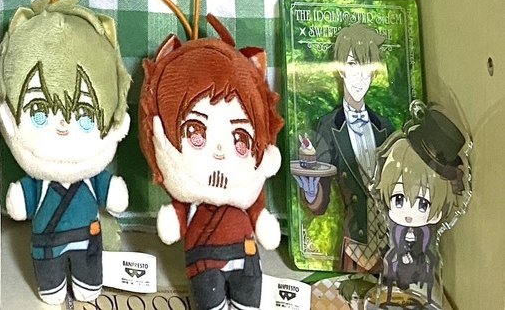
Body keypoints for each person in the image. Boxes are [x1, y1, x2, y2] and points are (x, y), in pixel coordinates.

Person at [140, 19, 284, 310]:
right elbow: (176, 219)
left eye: (240, 137)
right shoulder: (191, 198)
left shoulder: (247, 194)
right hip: (203, 262)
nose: (219, 151)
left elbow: (257, 211)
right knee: (209, 300)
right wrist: (174, 219)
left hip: (246, 257)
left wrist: (261, 219)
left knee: (248, 298)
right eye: (195, 132)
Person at [0, 0, 131, 304]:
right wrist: (20, 199)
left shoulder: (92, 179)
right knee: (50, 284)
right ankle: (53, 288)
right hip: (46, 247)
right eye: (39, 112)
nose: (63, 127)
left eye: (84, 116)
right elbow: (23, 203)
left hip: (88, 240)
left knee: (88, 276)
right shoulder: (39, 184)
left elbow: (110, 194)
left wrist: (111, 192)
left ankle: (87, 284)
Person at [296, 24, 395, 272]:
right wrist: (311, 191)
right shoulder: (329, 126)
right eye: (352, 64)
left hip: (392, 241)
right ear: (340, 68)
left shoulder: (385, 127)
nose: (360, 76)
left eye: (367, 67)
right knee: (352, 291)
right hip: (356, 244)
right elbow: (320, 201)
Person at [375, 109, 468, 307]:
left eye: (423, 204)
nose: (408, 213)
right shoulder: (393, 233)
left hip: (422, 284)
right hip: (393, 281)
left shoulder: (428, 238)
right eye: (399, 199)